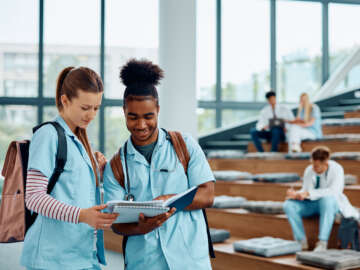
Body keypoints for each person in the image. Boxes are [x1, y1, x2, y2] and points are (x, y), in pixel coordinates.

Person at [103, 59, 215, 270]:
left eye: (148, 116)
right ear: (123, 111)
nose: (141, 125)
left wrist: (169, 201)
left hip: (189, 261)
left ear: (158, 110)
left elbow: (208, 195)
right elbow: (116, 224)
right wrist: (140, 228)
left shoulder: (184, 145)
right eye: (133, 117)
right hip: (144, 262)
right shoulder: (116, 166)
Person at [20, 67, 118, 270]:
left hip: (82, 255)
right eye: (85, 108)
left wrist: (98, 172)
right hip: (52, 259)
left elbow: (73, 190)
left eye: (96, 108)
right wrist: (83, 215)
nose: (91, 115)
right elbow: (34, 197)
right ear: (65, 100)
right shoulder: (48, 135)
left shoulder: (80, 142)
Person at [283, 146, 359, 251]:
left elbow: (334, 191)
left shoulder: (337, 169)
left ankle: (322, 242)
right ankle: (301, 241)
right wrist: (296, 194)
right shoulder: (309, 169)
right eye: (313, 165)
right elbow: (305, 189)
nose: (314, 168)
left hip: (331, 204)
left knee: (327, 200)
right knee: (288, 204)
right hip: (313, 204)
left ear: (326, 162)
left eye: (317, 166)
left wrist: (308, 193)